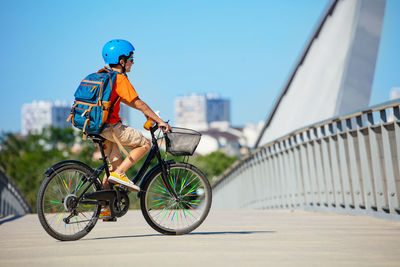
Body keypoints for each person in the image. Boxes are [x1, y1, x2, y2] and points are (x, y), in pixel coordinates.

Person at [99, 39, 171, 218]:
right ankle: (121, 174)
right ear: (121, 60)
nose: (133, 62)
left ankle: (104, 208)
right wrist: (160, 120)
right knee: (145, 144)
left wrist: (148, 116)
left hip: (97, 127)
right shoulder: (119, 78)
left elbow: (125, 101)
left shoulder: (105, 75)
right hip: (111, 127)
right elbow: (138, 102)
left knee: (112, 168)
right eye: (131, 59)